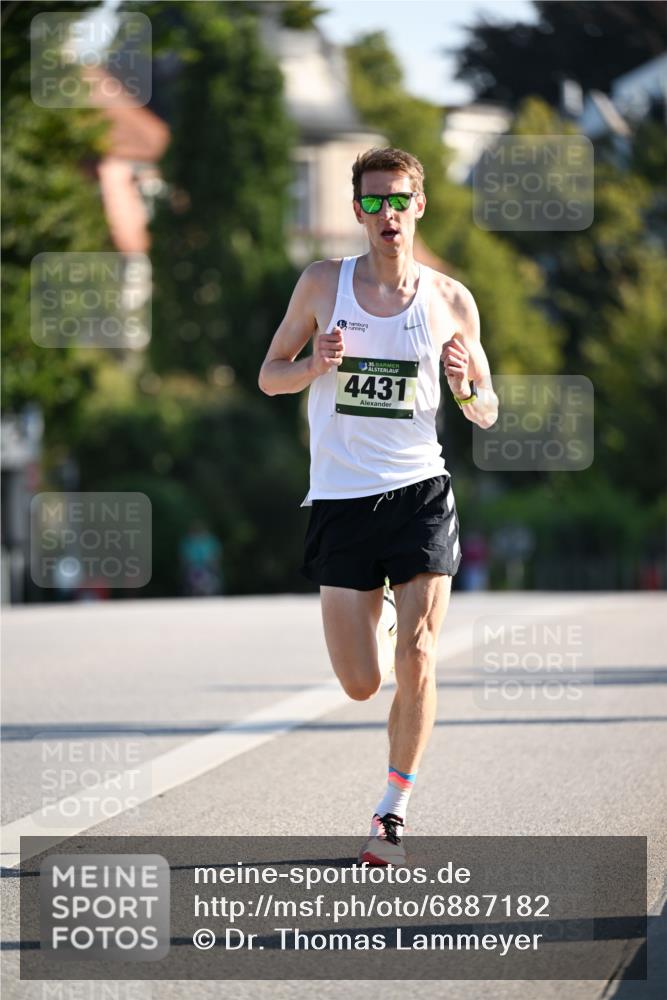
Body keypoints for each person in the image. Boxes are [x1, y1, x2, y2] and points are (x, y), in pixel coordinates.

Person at [259, 147, 498, 865]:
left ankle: (392, 809)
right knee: (362, 684)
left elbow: (486, 410)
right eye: (372, 201)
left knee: (418, 655)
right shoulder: (321, 284)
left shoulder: (451, 299)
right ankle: (383, 613)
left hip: (420, 492)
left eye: (397, 199)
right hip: (340, 499)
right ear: (358, 210)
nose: (386, 213)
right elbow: (269, 376)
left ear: (418, 205)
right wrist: (314, 365)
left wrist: (464, 386)